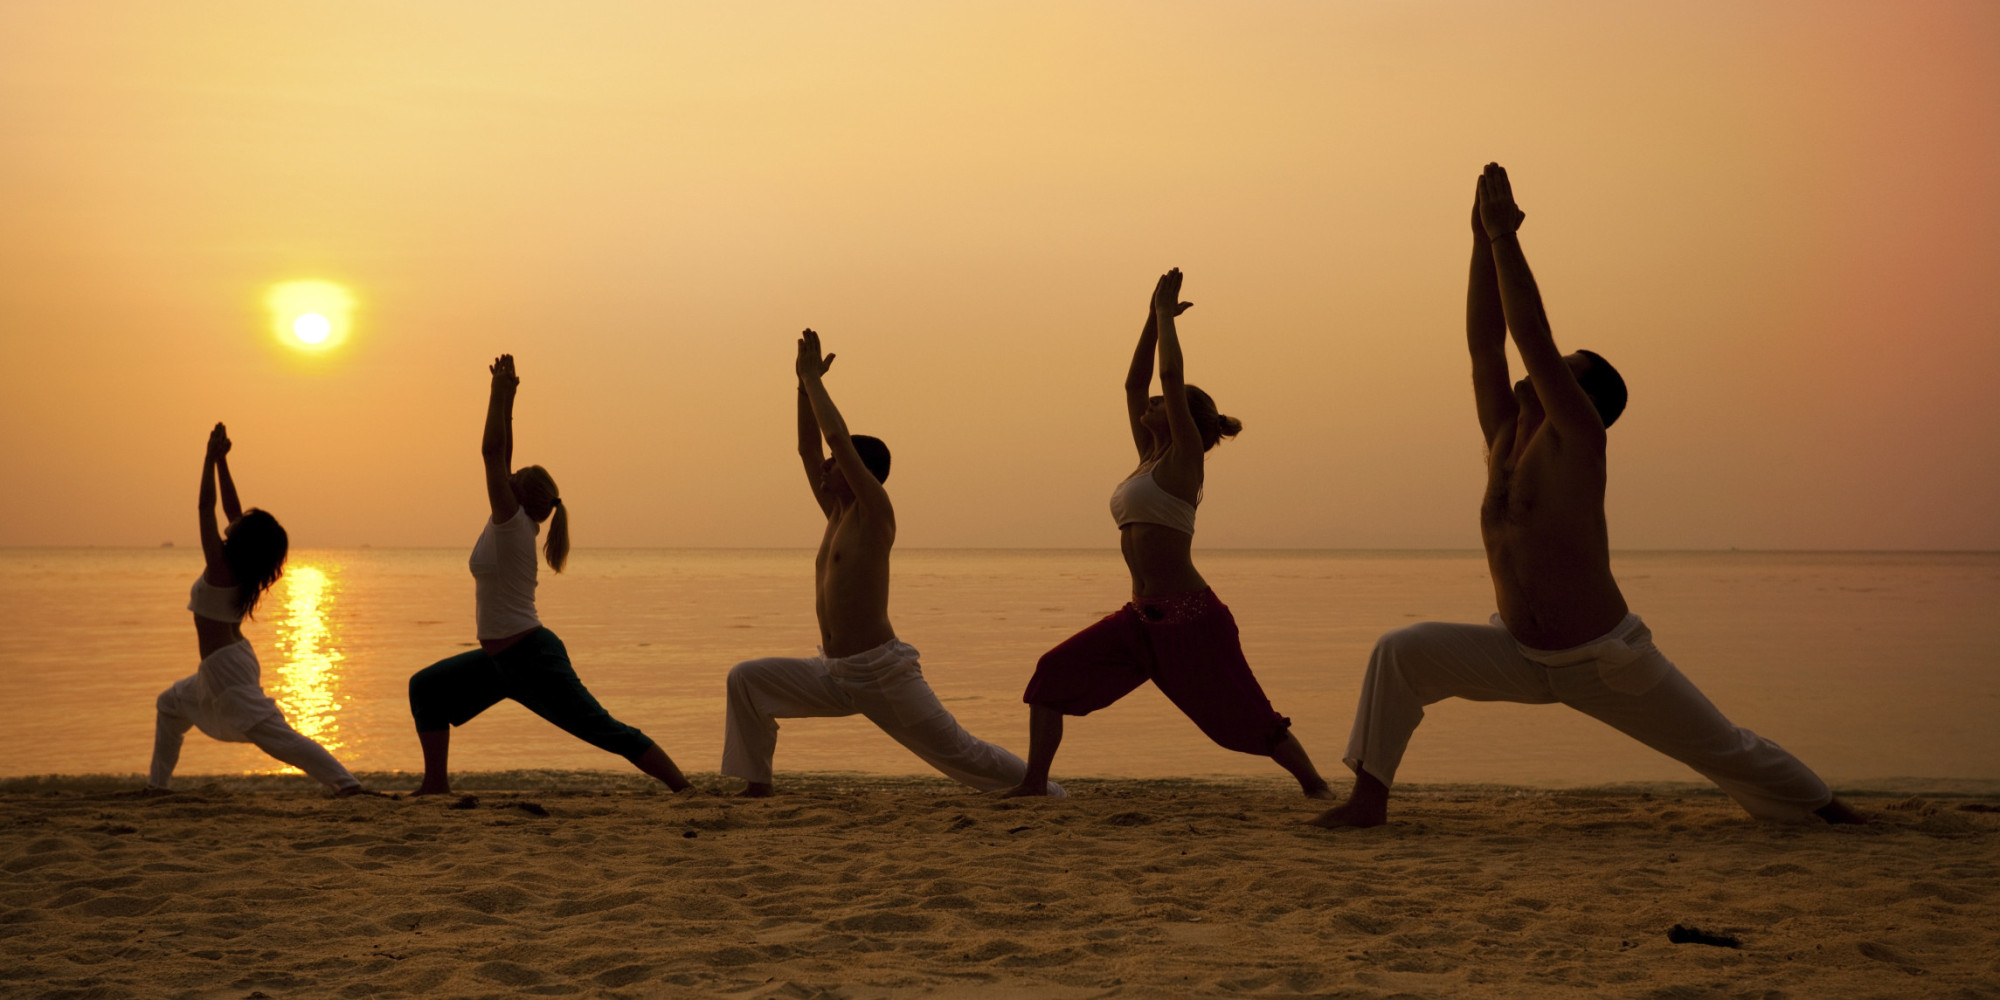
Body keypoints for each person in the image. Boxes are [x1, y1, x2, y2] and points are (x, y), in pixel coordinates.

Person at [1311, 164, 1862, 828]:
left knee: (1726, 750)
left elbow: (1530, 341)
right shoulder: (1505, 439)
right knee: (1401, 652)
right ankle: (1368, 803)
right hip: (1518, 652)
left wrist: (1506, 238)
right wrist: (1479, 243)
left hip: (1605, 661)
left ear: (1583, 402)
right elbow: (1486, 346)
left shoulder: (1578, 440)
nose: (1539, 371)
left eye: (1565, 372)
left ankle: (1830, 813)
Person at [1006, 270, 1333, 800]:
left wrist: (1166, 318)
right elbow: (1135, 384)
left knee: (1245, 718)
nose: (1151, 402)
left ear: (1186, 418)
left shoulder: (1185, 459)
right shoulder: (1146, 457)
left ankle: (1316, 787)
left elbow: (1171, 380)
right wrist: (1148, 318)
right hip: (1139, 618)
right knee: (1052, 675)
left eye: (1162, 403)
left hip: (1191, 620)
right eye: (1154, 402)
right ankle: (1034, 783)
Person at [721, 329, 1058, 797]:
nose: (824, 468)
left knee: (961, 752)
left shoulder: (874, 514)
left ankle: (1043, 789)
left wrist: (815, 381)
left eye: (835, 464)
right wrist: (801, 386)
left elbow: (835, 437)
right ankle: (758, 785)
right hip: (834, 672)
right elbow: (808, 448)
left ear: (860, 471)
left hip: (880, 672)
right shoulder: (836, 515)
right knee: (747, 679)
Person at [407, 354, 689, 796]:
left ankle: (683, 788)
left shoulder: (511, 526)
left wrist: (495, 393)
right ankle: (435, 786)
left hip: (531, 659)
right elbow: (504, 454)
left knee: (602, 729)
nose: (508, 473)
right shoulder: (511, 523)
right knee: (426, 688)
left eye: (514, 477)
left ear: (520, 493)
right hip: (501, 662)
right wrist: (510, 399)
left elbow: (491, 453)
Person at [150, 423, 363, 795]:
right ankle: (156, 787)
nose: (237, 520)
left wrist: (206, 460)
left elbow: (206, 507)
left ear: (245, 539)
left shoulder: (221, 567)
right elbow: (231, 509)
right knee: (170, 706)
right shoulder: (240, 570)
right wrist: (221, 462)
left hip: (227, 669)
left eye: (243, 524)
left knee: (277, 737)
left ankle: (347, 785)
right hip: (226, 662)